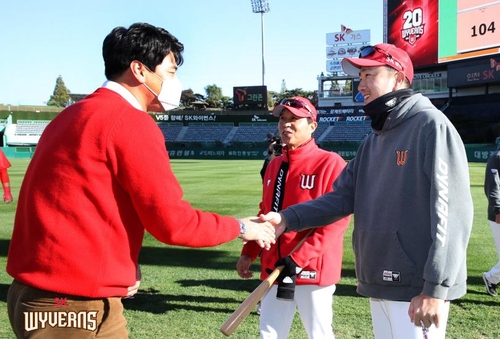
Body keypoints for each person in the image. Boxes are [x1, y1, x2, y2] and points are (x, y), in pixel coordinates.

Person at [6, 22, 275, 339]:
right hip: (72, 304)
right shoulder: (130, 122)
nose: (176, 82)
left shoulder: (70, 115)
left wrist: (120, 263)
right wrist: (243, 227)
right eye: (171, 72)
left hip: (40, 295)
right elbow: (173, 223)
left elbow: (79, 201)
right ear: (139, 70)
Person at [259, 44, 473, 339]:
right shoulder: (373, 140)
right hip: (380, 282)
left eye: (368, 75)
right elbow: (341, 197)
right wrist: (286, 219)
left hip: (417, 289)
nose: (360, 85)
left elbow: (453, 214)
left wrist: (436, 289)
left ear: (397, 77)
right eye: (359, 76)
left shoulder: (430, 125)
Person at [237, 96, 350, 338]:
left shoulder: (331, 163)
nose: (286, 124)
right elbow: (265, 212)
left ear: (312, 125)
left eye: (294, 119)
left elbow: (337, 221)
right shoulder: (274, 164)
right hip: (273, 270)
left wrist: (298, 259)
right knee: (269, 334)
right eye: (282, 118)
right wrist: (249, 252)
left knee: (318, 334)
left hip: (311, 271)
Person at [483, 144, 500, 296]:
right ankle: (490, 278)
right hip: (498, 215)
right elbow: (492, 186)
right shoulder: (496, 158)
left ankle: (491, 278)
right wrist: (498, 210)